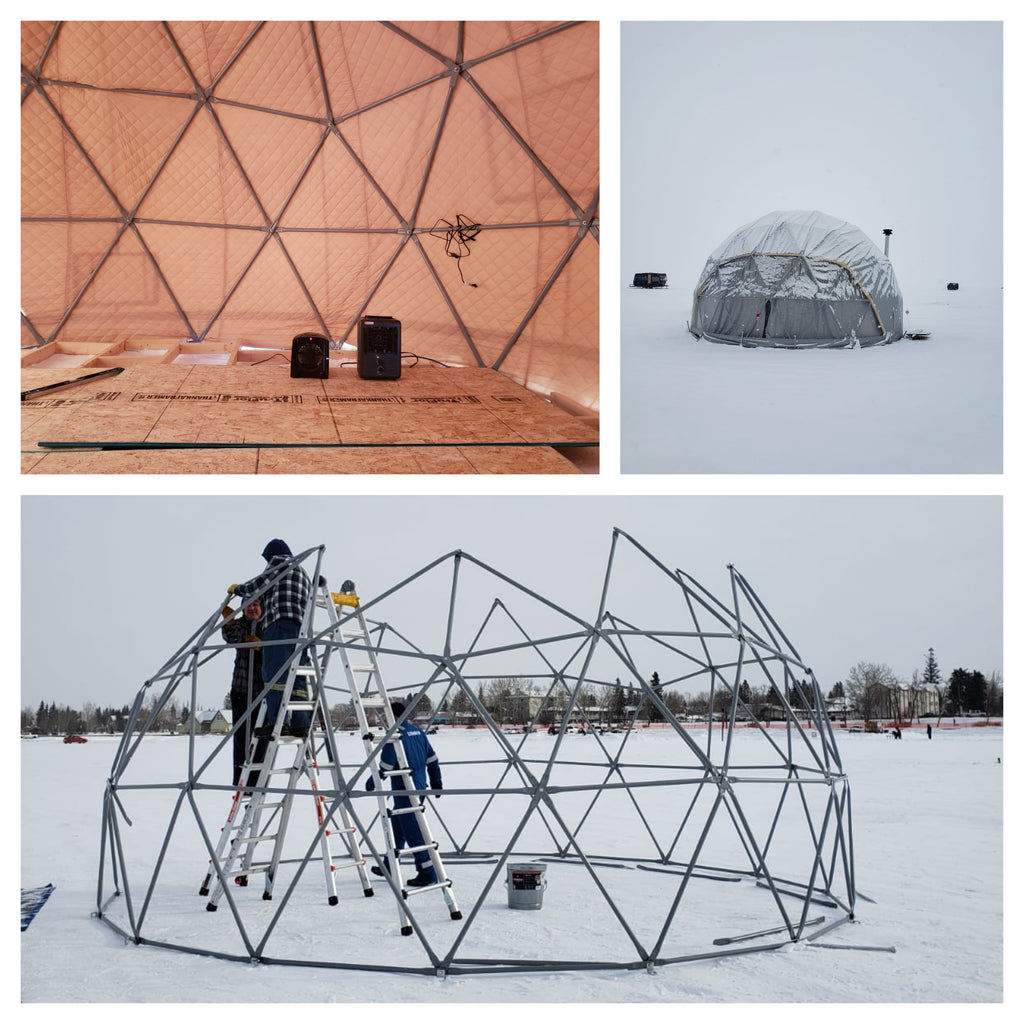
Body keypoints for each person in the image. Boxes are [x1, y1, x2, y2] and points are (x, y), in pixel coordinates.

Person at [229, 539, 312, 738]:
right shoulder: (303, 573)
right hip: (301, 631)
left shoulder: (280, 563)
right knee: (297, 677)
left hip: (279, 625)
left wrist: (238, 590)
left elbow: (258, 584)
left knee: (275, 674)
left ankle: (277, 723)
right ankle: (301, 723)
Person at [368, 701, 443, 887]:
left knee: (414, 834)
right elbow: (432, 759)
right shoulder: (417, 732)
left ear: (390, 715)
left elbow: (386, 765)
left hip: (405, 792)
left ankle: (427, 873)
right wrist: (436, 782)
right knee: (398, 828)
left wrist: (371, 783)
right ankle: (390, 866)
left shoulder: (395, 734)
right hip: (419, 787)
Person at [221, 599, 263, 785]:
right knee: (241, 738)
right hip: (242, 689)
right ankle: (240, 781)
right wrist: (229, 621)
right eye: (248, 606)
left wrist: (262, 646)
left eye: (256, 605)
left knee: (261, 740)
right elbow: (231, 638)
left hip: (263, 691)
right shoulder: (240, 625)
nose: (252, 609)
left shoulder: (269, 624)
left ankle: (258, 781)